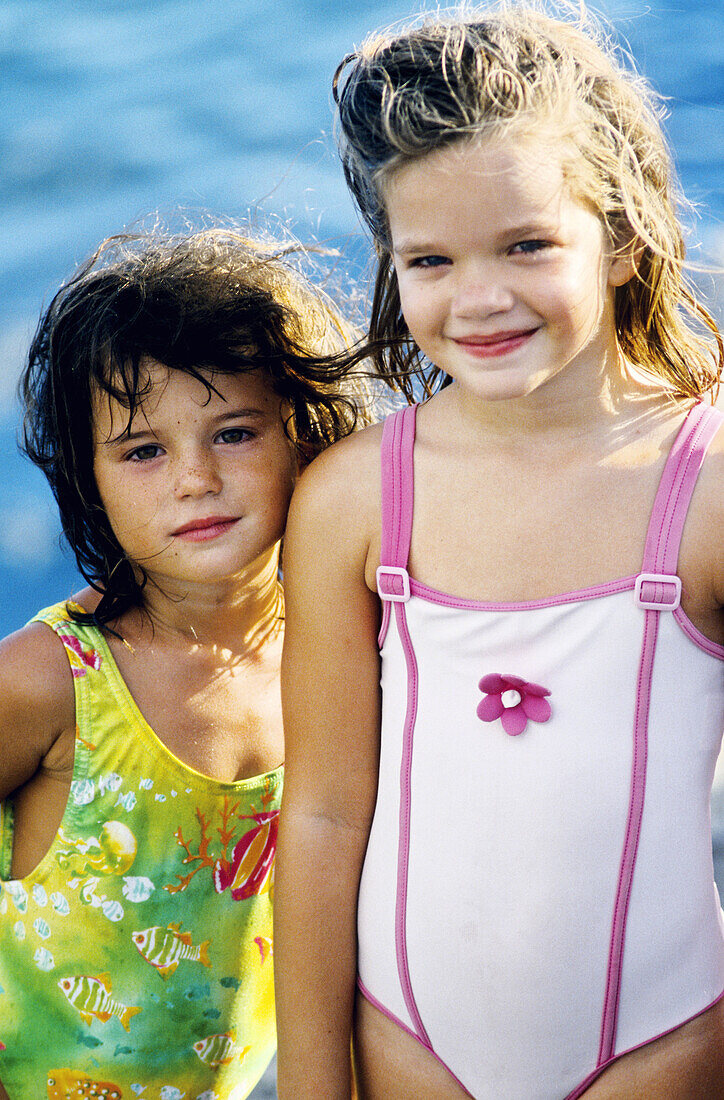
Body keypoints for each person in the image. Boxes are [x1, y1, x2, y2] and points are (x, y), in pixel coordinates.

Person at [274, 4, 724, 1098]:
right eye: (429, 258)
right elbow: (326, 813)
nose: (478, 298)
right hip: (408, 1042)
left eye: (526, 244)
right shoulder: (355, 501)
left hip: (661, 1045)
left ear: (619, 239)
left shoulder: (703, 483)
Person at [0, 226, 365, 1100]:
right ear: (87, 480)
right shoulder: (53, 680)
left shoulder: (345, 656)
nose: (194, 478)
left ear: (305, 436)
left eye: (234, 433)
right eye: (143, 451)